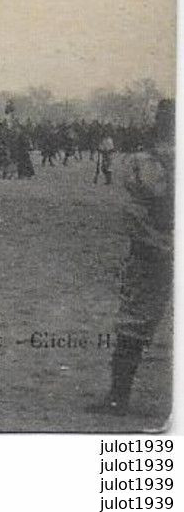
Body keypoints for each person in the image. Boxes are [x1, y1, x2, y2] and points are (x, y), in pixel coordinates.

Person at [91, 100, 174, 416]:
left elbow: (135, 213)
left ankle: (118, 397)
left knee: (134, 324)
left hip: (154, 251)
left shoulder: (147, 162)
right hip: (160, 247)